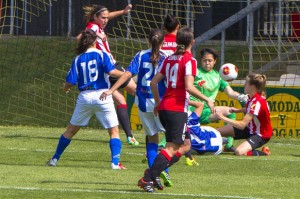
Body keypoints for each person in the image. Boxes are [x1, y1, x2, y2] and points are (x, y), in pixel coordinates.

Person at [137, 27, 214, 193]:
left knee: (186, 146)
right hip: (176, 109)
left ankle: (153, 172)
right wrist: (206, 98)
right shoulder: (189, 60)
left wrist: (158, 102)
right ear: (192, 42)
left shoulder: (169, 58)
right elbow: (188, 86)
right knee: (172, 147)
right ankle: (147, 178)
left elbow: (153, 82)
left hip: (166, 107)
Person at [100, 29, 172, 187]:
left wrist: (112, 90)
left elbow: (127, 75)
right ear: (163, 42)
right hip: (161, 102)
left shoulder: (140, 55)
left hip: (143, 103)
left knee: (152, 138)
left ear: (148, 41)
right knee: (171, 141)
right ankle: (163, 171)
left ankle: (154, 175)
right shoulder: (167, 57)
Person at [47, 29, 126, 169]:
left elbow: (70, 81)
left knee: (70, 131)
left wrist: (65, 89)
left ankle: (54, 159)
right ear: (94, 41)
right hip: (103, 95)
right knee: (114, 131)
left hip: (85, 97)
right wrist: (127, 74)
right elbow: (112, 72)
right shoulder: (102, 54)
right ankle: (114, 163)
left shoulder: (78, 58)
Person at [82, 4, 139, 146]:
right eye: (103, 18)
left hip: (105, 70)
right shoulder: (92, 28)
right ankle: (159, 127)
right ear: (95, 17)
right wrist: (94, 35)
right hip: (110, 68)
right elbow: (81, 36)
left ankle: (129, 136)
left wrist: (123, 11)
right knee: (137, 91)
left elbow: (108, 15)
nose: (106, 20)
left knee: (121, 101)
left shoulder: (97, 24)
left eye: (107, 17)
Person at [188, 48, 248, 155]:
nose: (207, 63)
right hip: (193, 110)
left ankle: (228, 144)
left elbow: (230, 93)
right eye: (204, 60)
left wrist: (242, 97)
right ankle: (163, 144)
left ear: (215, 61)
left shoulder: (219, 77)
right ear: (201, 60)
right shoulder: (195, 73)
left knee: (230, 112)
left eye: (210, 60)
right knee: (178, 126)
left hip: (208, 112)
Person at [215, 73, 272, 156]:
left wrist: (222, 117)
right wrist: (237, 110)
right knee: (216, 132)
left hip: (261, 134)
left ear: (252, 86)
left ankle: (264, 152)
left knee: (239, 152)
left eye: (246, 83)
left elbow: (241, 125)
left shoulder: (257, 102)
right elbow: (251, 110)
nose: (244, 85)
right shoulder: (250, 97)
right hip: (249, 129)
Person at [157, 14, 180, 150]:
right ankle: (169, 138)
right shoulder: (180, 41)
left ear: (164, 27)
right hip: (175, 80)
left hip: (160, 78)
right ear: (178, 26)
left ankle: (157, 140)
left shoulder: (160, 40)